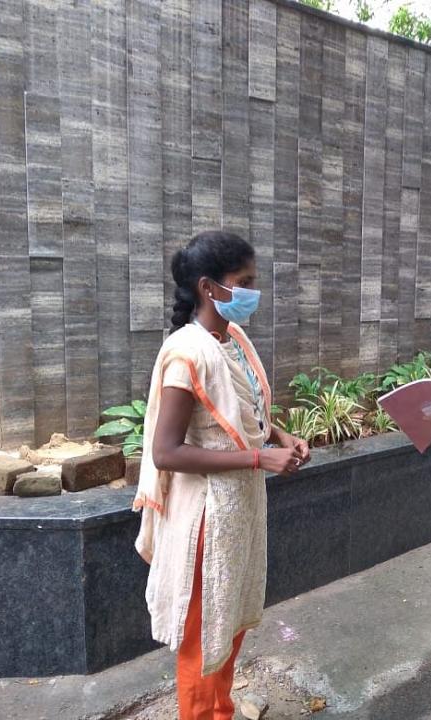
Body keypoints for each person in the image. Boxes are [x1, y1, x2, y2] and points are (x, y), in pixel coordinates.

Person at [133, 231, 310, 720]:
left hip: (239, 509)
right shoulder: (187, 353)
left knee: (229, 625)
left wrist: (278, 438)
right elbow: (166, 452)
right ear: (210, 288)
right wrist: (258, 460)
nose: (254, 291)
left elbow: (244, 414)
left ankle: (220, 712)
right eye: (244, 281)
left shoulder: (234, 341)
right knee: (202, 633)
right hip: (206, 518)